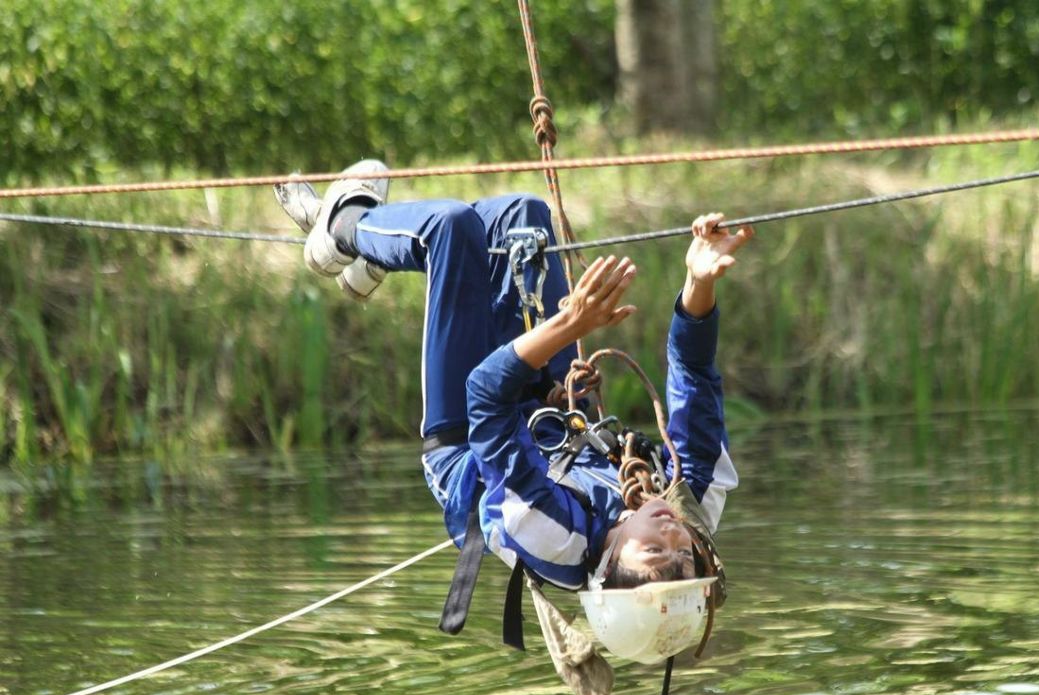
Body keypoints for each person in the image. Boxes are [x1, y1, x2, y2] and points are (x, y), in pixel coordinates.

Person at [274, 162, 753, 603]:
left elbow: (485, 395)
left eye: (653, 553)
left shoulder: (555, 536)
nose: (671, 536)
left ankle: (341, 227)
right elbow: (695, 379)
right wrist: (700, 283)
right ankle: (377, 251)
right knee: (524, 217)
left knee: (449, 229)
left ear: (608, 570)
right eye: (684, 555)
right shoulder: (693, 506)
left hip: (469, 435)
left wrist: (570, 325)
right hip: (556, 412)